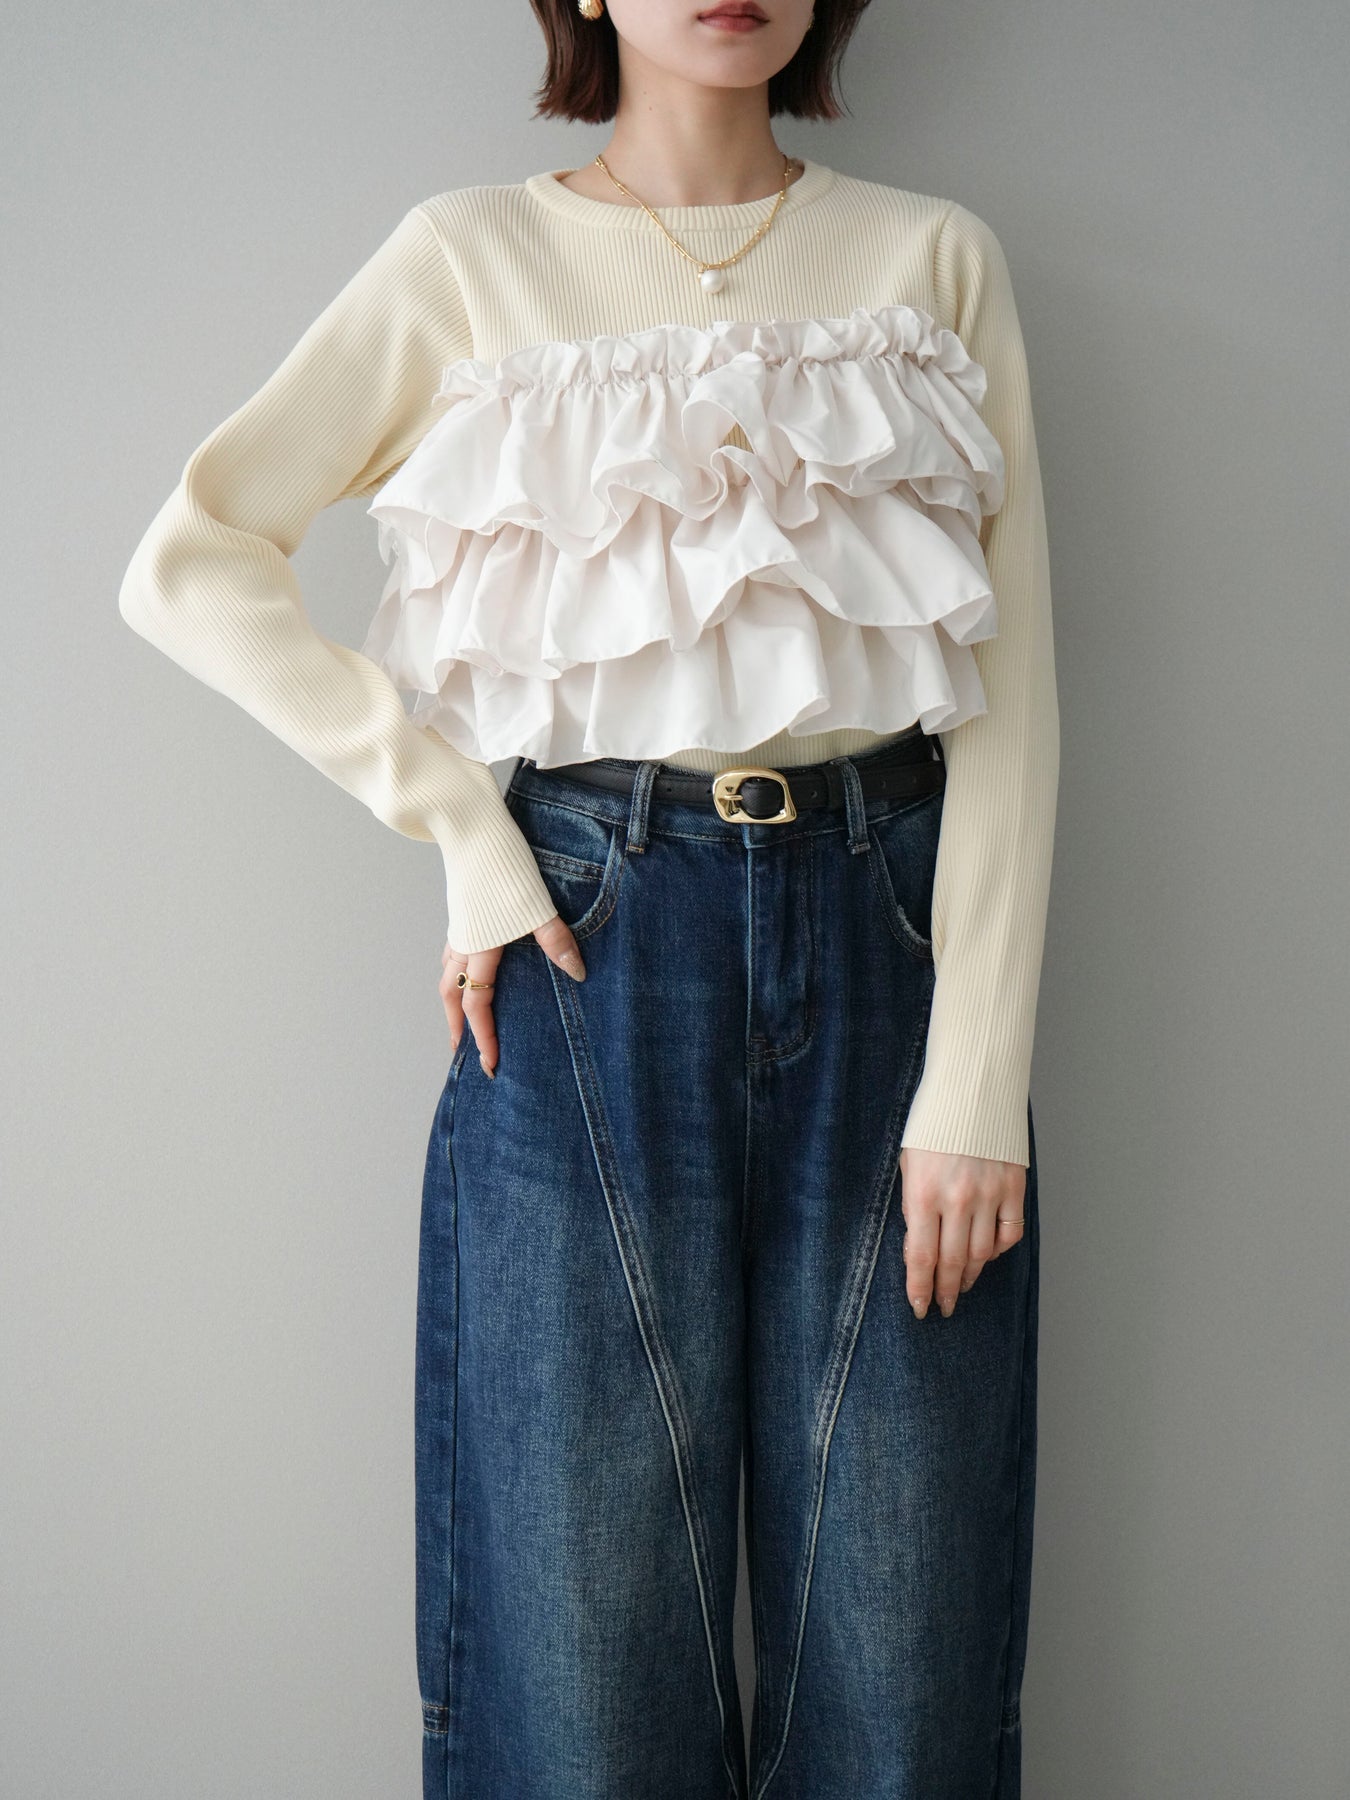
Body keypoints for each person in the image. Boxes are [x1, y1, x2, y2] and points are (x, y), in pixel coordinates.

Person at [118, 1, 1059, 1793]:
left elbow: (1013, 701)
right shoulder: (464, 257)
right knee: (581, 1658)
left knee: (907, 1662)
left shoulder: (931, 258)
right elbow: (191, 564)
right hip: (586, 946)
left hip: (896, 944)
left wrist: (978, 1083)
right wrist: (459, 830)